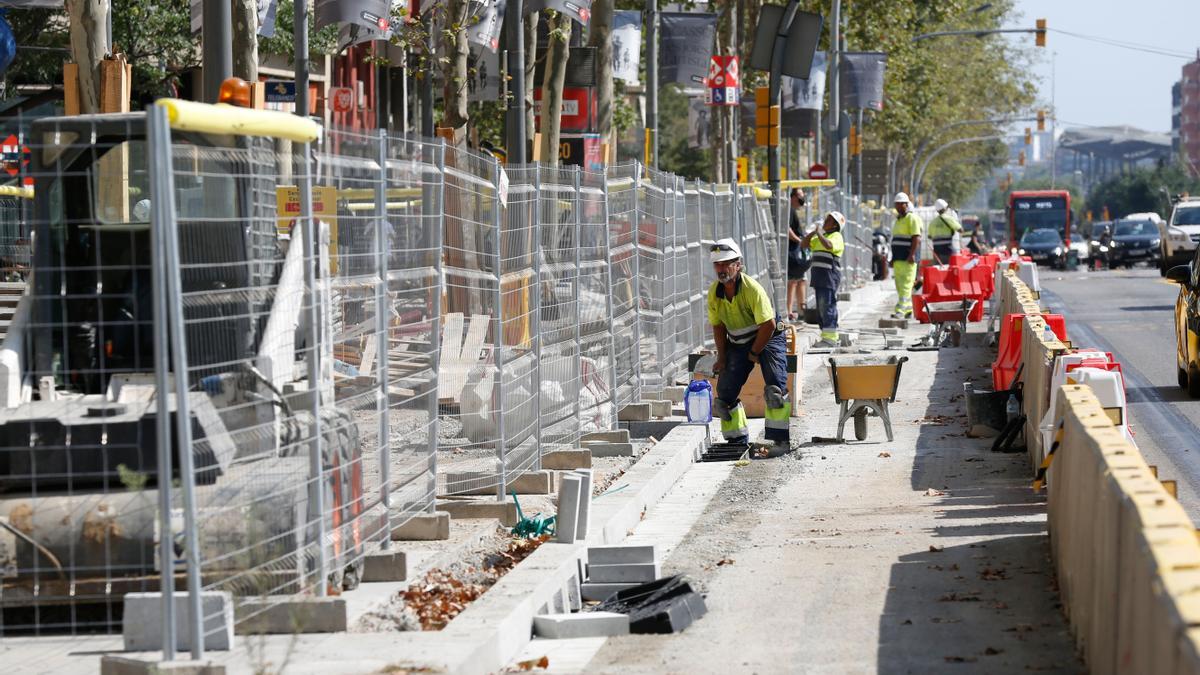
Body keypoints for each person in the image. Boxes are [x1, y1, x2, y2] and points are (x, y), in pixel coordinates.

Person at [707, 238, 791, 450]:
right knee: (723, 399)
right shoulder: (714, 294)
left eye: (726, 263)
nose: (721, 268)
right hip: (739, 342)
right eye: (717, 264)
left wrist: (754, 353)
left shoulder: (752, 289)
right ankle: (736, 441)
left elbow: (768, 325)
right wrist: (722, 358)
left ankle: (780, 440)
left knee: (774, 392)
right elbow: (718, 327)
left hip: (768, 337)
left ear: (738, 264)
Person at [802, 211, 846, 348]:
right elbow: (804, 244)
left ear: (835, 225)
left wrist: (819, 233)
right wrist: (813, 233)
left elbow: (829, 245)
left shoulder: (836, 236)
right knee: (821, 308)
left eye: (828, 220)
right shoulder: (822, 237)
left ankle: (830, 338)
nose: (825, 222)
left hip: (829, 277)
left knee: (827, 305)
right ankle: (826, 336)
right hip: (820, 277)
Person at [890, 192, 924, 319]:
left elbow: (916, 238)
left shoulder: (912, 218)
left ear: (906, 204)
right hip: (898, 258)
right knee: (899, 285)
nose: (898, 207)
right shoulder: (898, 220)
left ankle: (900, 310)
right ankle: (908, 308)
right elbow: (895, 241)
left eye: (901, 204)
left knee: (906, 285)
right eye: (896, 204)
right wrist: (892, 258)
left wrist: (912, 254)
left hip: (908, 258)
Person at [785, 188, 811, 321]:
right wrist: (800, 241)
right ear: (794, 197)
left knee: (801, 280)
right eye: (800, 195)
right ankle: (789, 311)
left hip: (797, 251)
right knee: (793, 282)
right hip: (793, 252)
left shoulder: (792, 210)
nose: (802, 198)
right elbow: (787, 230)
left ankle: (801, 310)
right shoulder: (789, 209)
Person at [927, 198, 963, 263]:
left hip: (937, 253)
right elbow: (960, 230)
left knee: (939, 270)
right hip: (948, 251)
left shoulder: (932, 222)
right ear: (945, 208)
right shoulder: (949, 218)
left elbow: (929, 236)